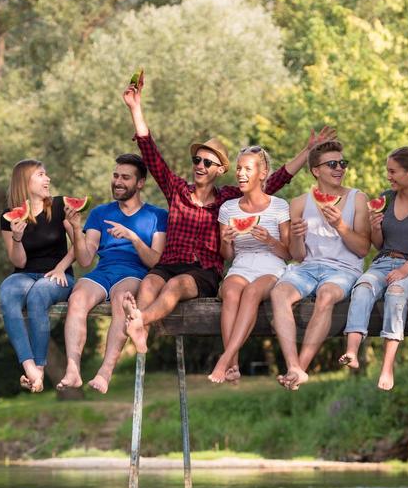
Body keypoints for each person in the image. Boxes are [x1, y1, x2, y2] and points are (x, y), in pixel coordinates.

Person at [120, 74, 334, 353]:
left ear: (220, 170)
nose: (200, 165)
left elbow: (275, 180)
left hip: (202, 272)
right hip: (170, 262)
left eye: (207, 162)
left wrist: (307, 152)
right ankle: (141, 334)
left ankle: (140, 320)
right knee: (149, 282)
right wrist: (136, 109)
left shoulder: (228, 199)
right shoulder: (176, 190)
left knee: (174, 286)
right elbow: (150, 153)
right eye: (197, 159)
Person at [57, 154, 167, 391]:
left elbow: (155, 260)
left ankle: (105, 373)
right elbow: (86, 259)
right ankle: (73, 369)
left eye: (125, 177)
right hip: (103, 271)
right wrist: (76, 230)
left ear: (140, 183)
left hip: (134, 273)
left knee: (121, 299)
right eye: (116, 175)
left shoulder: (157, 216)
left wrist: (133, 237)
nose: (117, 181)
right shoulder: (99, 213)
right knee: (76, 298)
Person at [271, 140, 370, 389]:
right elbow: (298, 255)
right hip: (308, 268)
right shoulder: (299, 203)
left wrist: (341, 226)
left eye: (342, 163)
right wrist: (295, 234)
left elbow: (363, 249)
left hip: (344, 270)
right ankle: (292, 365)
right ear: (316, 170)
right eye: (332, 164)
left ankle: (300, 369)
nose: (340, 168)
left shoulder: (358, 199)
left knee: (326, 296)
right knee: (279, 293)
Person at [340, 147, 408, 390]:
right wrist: (375, 228)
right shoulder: (387, 197)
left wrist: (404, 272)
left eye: (393, 172)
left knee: (396, 293)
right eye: (387, 171)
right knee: (362, 287)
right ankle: (351, 351)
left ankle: (387, 367)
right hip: (383, 261)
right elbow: (379, 244)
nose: (388, 176)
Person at [208, 147, 291, 384]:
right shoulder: (228, 209)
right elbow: (228, 255)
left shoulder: (279, 206)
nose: (241, 174)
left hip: (271, 265)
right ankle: (233, 366)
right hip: (241, 264)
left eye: (248, 169)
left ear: (263, 173)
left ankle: (224, 360)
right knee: (231, 292)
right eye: (238, 169)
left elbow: (289, 253)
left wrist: (270, 240)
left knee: (253, 292)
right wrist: (226, 242)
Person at [0, 159, 76, 393]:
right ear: (26, 181)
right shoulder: (9, 216)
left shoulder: (61, 205)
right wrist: (17, 238)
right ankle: (29, 365)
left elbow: (81, 245)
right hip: (24, 275)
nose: (48, 179)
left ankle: (39, 368)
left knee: (39, 293)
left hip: (58, 277)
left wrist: (62, 267)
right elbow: (19, 261)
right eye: (41, 174)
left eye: (46, 174)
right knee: (7, 291)